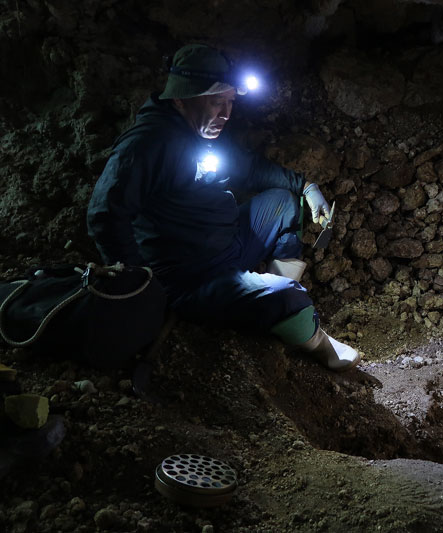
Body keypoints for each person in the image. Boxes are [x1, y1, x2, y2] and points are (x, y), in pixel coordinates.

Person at [86, 43, 359, 371]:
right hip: (193, 278)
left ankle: (268, 302)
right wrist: (140, 287)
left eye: (230, 102)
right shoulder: (146, 146)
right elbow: (104, 214)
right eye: (217, 102)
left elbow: (250, 168)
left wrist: (305, 187)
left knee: (283, 203)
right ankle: (316, 341)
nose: (226, 114)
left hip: (230, 244)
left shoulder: (204, 132)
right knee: (287, 296)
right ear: (181, 98)